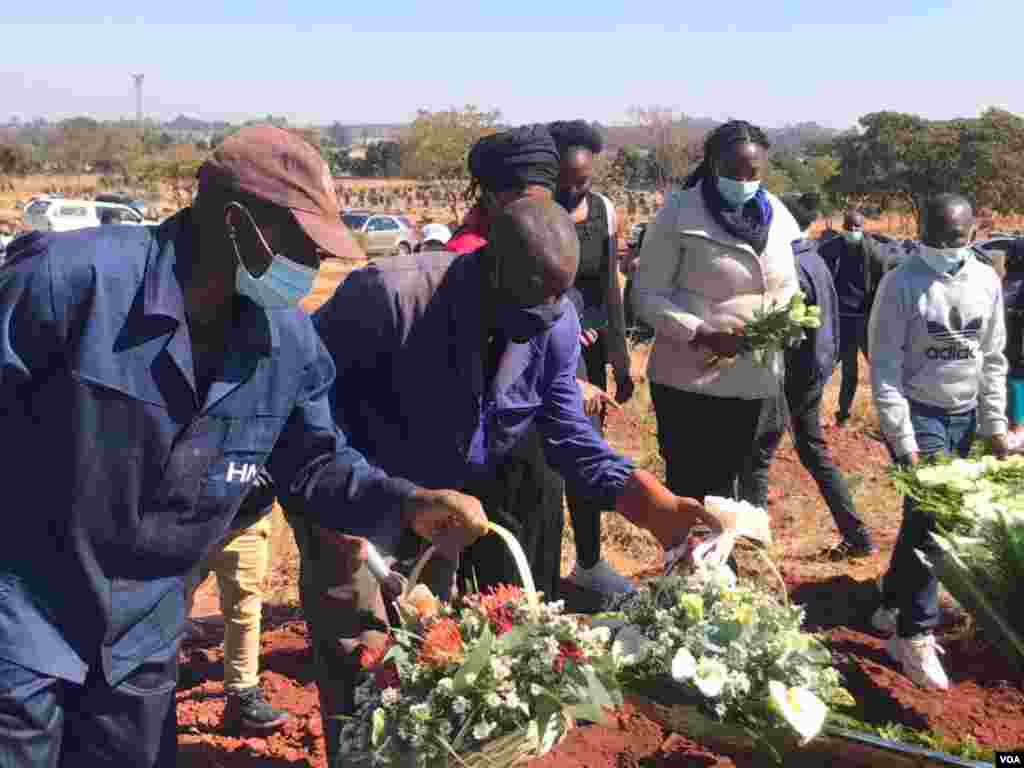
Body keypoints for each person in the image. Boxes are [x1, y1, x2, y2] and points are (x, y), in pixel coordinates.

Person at [0, 125, 488, 768]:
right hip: (22, 626)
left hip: (140, 645)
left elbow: (315, 465)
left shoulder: (288, 345)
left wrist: (409, 503)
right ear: (235, 223)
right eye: (301, 246)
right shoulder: (70, 282)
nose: (310, 268)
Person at [310, 197, 735, 762]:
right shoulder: (387, 299)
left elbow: (567, 435)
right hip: (357, 506)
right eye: (534, 294)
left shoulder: (553, 321)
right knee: (361, 663)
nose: (549, 310)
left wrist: (651, 503)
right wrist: (348, 513)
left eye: (559, 295)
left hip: (444, 516)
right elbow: (307, 415)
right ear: (491, 264)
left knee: (427, 658)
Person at [869, 194, 1008, 690]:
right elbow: (884, 367)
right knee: (934, 520)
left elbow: (993, 357)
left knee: (921, 517)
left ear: (972, 234)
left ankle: (891, 604)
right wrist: (903, 440)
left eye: (956, 239)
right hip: (919, 411)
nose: (947, 247)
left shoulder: (986, 280)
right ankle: (914, 633)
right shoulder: (901, 283)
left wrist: (993, 425)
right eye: (937, 237)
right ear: (920, 231)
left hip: (965, 414)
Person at [633, 120, 800, 503]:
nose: (743, 180)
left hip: (757, 376)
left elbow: (788, 285)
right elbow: (646, 294)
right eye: (732, 171)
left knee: (746, 481)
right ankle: (697, 561)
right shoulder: (678, 212)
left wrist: (782, 321)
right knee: (696, 487)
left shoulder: (776, 213)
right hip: (691, 381)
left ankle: (731, 557)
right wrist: (702, 333)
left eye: (752, 172)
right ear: (712, 164)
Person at [739, 194, 876, 559]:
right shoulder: (812, 257)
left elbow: (789, 332)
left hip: (792, 375)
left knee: (757, 456)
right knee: (812, 451)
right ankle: (857, 534)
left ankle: (754, 546)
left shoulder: (792, 267)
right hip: (814, 370)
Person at [548, 119, 636, 594]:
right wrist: (566, 323)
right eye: (563, 180)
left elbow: (610, 289)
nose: (572, 190)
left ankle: (588, 561)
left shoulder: (602, 210)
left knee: (585, 452)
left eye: (580, 181)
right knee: (549, 456)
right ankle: (539, 570)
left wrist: (621, 361)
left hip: (593, 352)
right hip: (545, 346)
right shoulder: (536, 212)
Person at [182, 470, 291, 733]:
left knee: (245, 609)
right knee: (166, 605)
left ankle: (243, 696)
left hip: (247, 517)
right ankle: (153, 685)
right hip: (184, 519)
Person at [819, 210, 885, 425]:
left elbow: (885, 276)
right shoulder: (831, 249)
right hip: (841, 318)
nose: (854, 231)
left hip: (864, 319)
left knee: (881, 369)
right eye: (850, 228)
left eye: (858, 228)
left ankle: (888, 417)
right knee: (837, 368)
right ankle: (839, 416)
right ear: (843, 228)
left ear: (863, 227)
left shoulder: (874, 251)